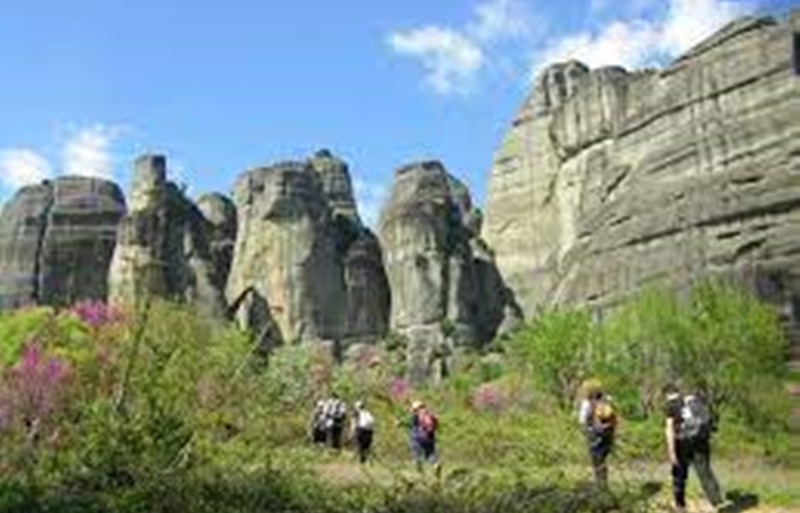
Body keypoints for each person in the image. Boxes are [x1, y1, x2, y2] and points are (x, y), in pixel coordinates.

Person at [663, 383, 727, 513]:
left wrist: (671, 452)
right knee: (705, 472)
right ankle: (718, 502)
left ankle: (680, 505)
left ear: (667, 394)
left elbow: (669, 429)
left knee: (679, 474)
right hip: (700, 442)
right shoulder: (694, 400)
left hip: (682, 443)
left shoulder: (671, 405)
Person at [577, 382, 616, 487]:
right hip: (608, 434)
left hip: (595, 435)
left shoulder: (587, 403)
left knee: (596, 461)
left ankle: (600, 485)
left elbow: (582, 421)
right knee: (603, 460)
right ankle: (603, 483)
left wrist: (586, 433)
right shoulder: (607, 400)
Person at [408, 401, 439, 472]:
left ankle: (418, 463)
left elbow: (411, 424)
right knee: (430, 453)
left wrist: (401, 423)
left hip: (419, 437)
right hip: (430, 437)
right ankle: (435, 464)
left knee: (415, 449)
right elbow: (436, 426)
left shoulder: (416, 415)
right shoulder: (429, 414)